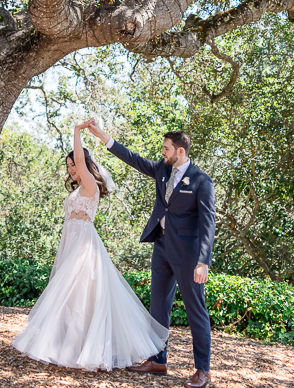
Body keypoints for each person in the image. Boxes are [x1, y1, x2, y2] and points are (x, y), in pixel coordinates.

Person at [11, 121, 168, 371]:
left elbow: (82, 162)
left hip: (84, 243)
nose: (72, 169)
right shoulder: (78, 188)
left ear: (84, 163)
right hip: (70, 241)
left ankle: (86, 350)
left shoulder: (90, 185)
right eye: (69, 166)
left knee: (81, 294)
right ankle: (71, 345)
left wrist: (76, 131)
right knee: (72, 296)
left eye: (74, 163)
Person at [85, 118, 216, 388]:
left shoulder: (202, 181)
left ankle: (203, 370)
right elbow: (133, 159)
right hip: (162, 248)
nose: (162, 152)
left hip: (189, 256)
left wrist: (203, 261)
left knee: (196, 312)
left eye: (166, 148)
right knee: (158, 308)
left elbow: (208, 223)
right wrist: (103, 137)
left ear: (180, 151)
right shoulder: (162, 171)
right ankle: (158, 359)